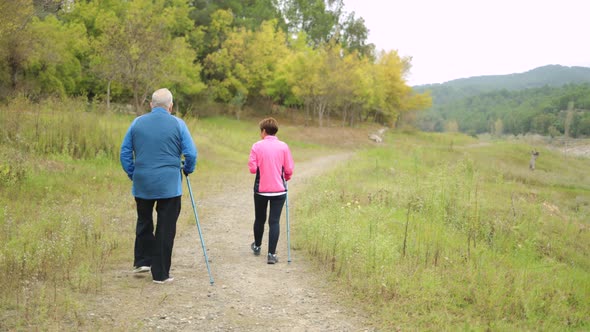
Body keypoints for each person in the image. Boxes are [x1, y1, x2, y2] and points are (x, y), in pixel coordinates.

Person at [120, 88, 197, 283]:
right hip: (169, 185)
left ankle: (143, 261)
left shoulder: (137, 122)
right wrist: (188, 169)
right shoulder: (178, 124)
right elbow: (191, 154)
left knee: (144, 220)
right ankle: (160, 274)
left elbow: (125, 152)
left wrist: (133, 173)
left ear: (151, 105)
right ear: (170, 106)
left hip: (143, 181)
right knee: (165, 227)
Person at [248, 117, 294, 264]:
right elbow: (288, 169)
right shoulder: (284, 147)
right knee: (274, 222)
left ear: (263, 131)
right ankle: (271, 255)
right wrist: (286, 177)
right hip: (279, 191)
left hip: (261, 190)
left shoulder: (256, 146)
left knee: (260, 219)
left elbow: (252, 169)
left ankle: (257, 246)